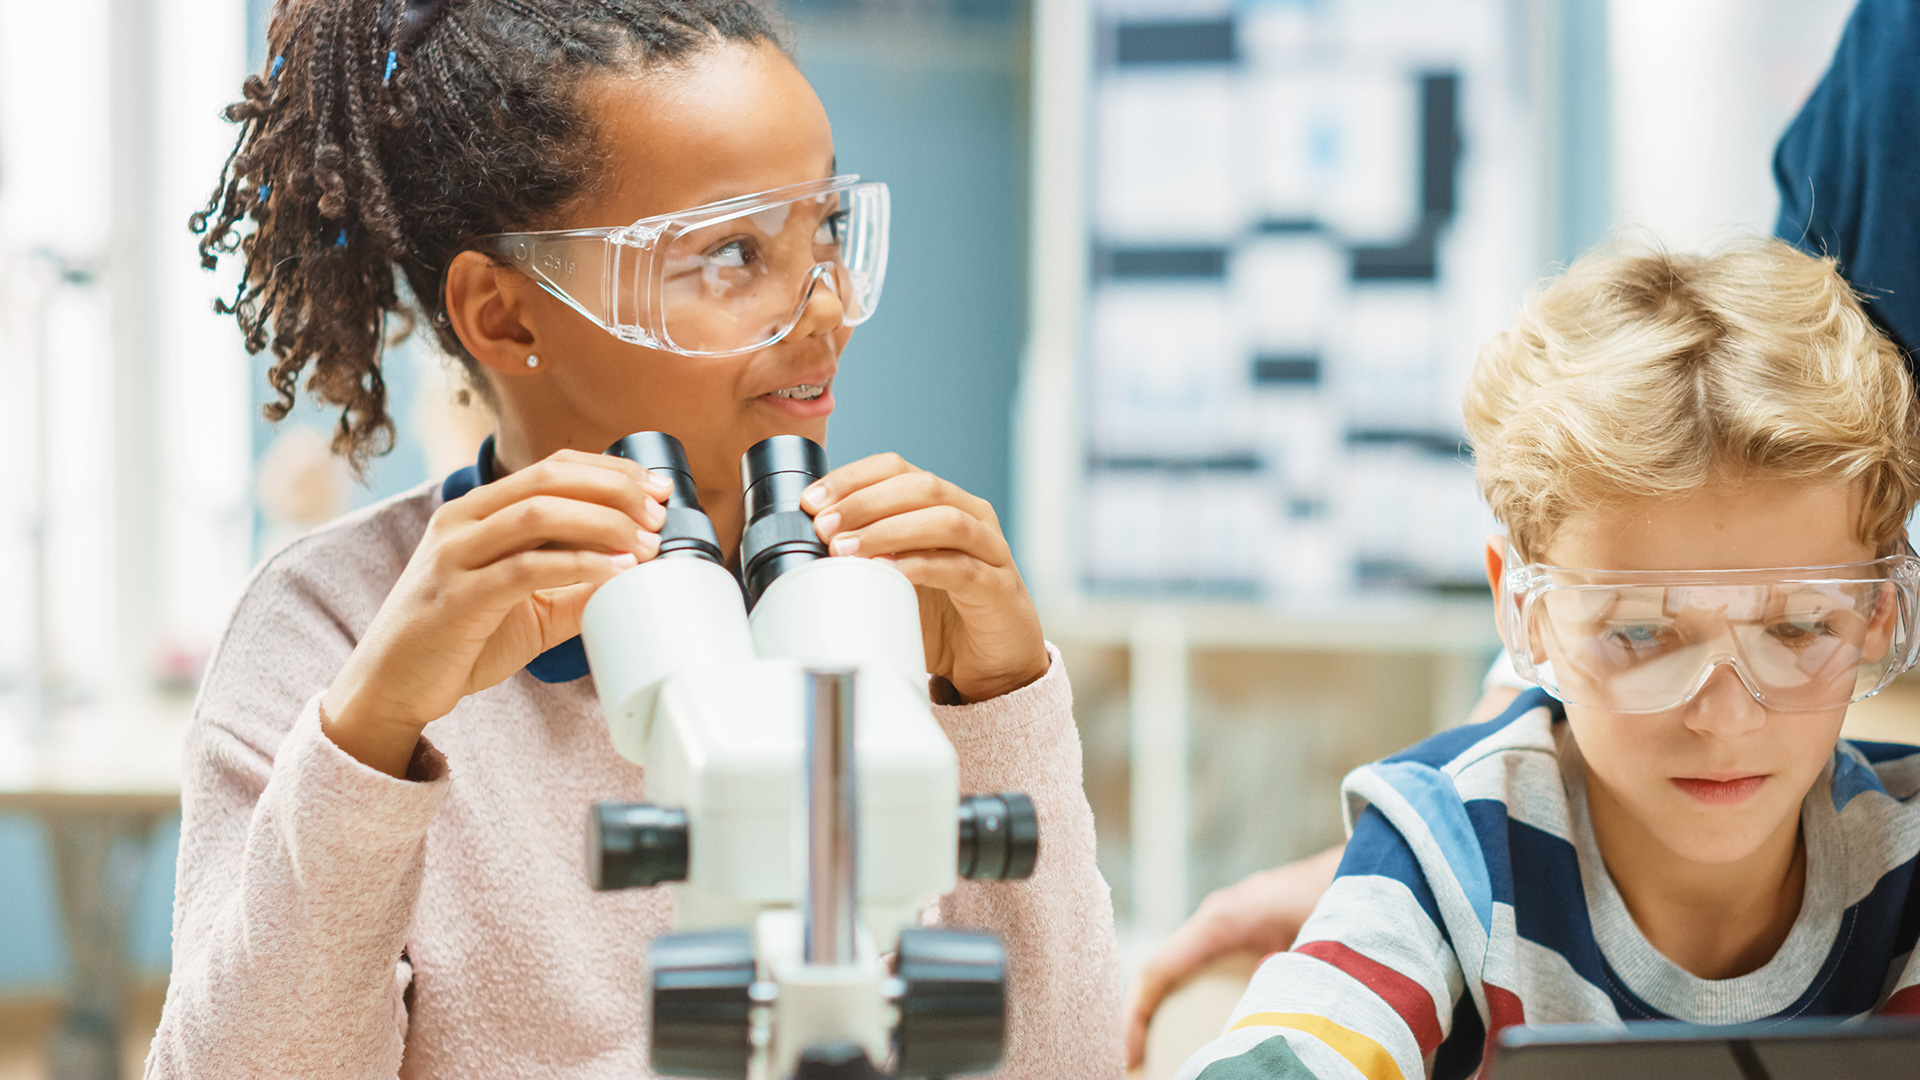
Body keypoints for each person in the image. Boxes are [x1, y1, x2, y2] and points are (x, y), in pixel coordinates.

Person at [148, 2, 1122, 1076]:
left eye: (826, 230)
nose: (828, 310)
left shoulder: (883, 602)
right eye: (732, 254)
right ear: (508, 317)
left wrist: (1005, 705)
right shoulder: (334, 627)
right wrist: (372, 735)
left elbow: (1060, 1060)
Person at [1126, 3, 1920, 1062]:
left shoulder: (1903, 859)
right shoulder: (1452, 851)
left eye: (1795, 631)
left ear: (1878, 611)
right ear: (1524, 611)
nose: (1724, 716)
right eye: (1641, 634)